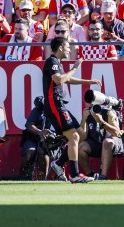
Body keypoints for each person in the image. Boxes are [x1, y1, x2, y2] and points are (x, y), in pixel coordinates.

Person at [43, 37, 102, 183]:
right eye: (68, 46)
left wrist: (88, 82)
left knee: (80, 134)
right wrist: (75, 68)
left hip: (60, 105)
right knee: (74, 137)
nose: (70, 49)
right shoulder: (51, 62)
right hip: (54, 106)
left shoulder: (58, 63)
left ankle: (58, 163)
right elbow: (59, 80)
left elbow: (66, 79)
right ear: (61, 48)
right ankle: (74, 175)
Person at [78, 102, 124, 180]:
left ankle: (103, 176)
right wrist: (83, 120)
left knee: (107, 142)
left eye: (91, 102)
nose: (89, 105)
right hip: (97, 143)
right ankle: (90, 175)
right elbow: (82, 138)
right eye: (87, 102)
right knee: (81, 147)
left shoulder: (108, 112)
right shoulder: (87, 114)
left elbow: (117, 133)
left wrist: (101, 122)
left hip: (113, 143)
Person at [19, 96, 53, 180]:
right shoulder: (37, 111)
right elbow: (29, 125)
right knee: (31, 151)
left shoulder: (55, 112)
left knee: (44, 155)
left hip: (46, 142)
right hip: (32, 139)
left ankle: (43, 179)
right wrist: (40, 132)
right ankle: (22, 175)